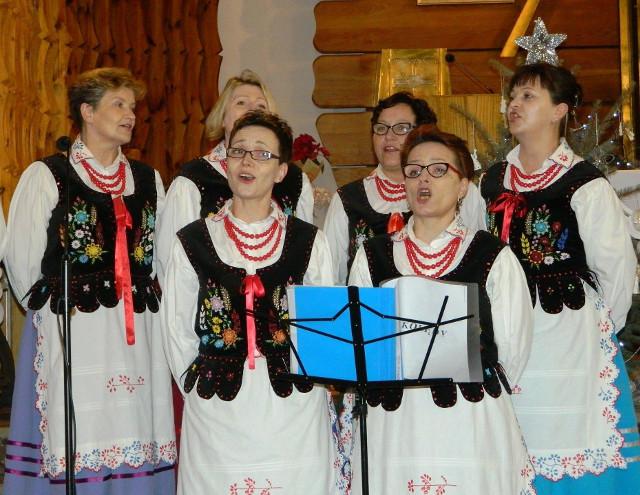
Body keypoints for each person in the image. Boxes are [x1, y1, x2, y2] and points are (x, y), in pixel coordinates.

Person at [3, 68, 175, 493]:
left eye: (132, 106)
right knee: (75, 425)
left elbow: (162, 258)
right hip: (73, 328)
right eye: (118, 104)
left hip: (136, 331)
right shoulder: (48, 174)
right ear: (87, 112)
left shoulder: (148, 179)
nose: (130, 114)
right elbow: (22, 260)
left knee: (133, 423)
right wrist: (53, 309)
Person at [347, 125, 535, 494]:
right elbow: (362, 343)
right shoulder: (373, 255)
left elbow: (513, 348)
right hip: (395, 420)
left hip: (468, 416)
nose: (423, 180)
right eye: (414, 170)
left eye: (438, 170)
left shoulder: (491, 255)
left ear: (463, 185)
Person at [480, 62, 640, 494]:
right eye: (513, 96)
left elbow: (615, 268)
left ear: (559, 111)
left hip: (568, 332)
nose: (514, 105)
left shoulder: (584, 184)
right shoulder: (491, 181)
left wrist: (594, 331)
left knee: (565, 435)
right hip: (503, 327)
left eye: (528, 96)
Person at [160, 111, 339, 494]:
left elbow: (323, 332)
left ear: (281, 171)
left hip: (293, 408)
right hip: (218, 408)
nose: (247, 161)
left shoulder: (309, 241)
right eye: (238, 151)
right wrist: (197, 385)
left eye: (261, 153)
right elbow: (177, 328)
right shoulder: (192, 240)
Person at [156, 69, 314, 278]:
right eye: (241, 102)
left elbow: (305, 254)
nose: (252, 110)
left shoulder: (294, 179)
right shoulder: (194, 179)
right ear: (222, 117)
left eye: (261, 105)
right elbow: (171, 261)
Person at [323, 91, 486, 284]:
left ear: (421, 132)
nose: (389, 136)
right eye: (381, 128)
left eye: (401, 128)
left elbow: (478, 256)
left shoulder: (459, 188)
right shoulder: (348, 199)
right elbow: (330, 278)